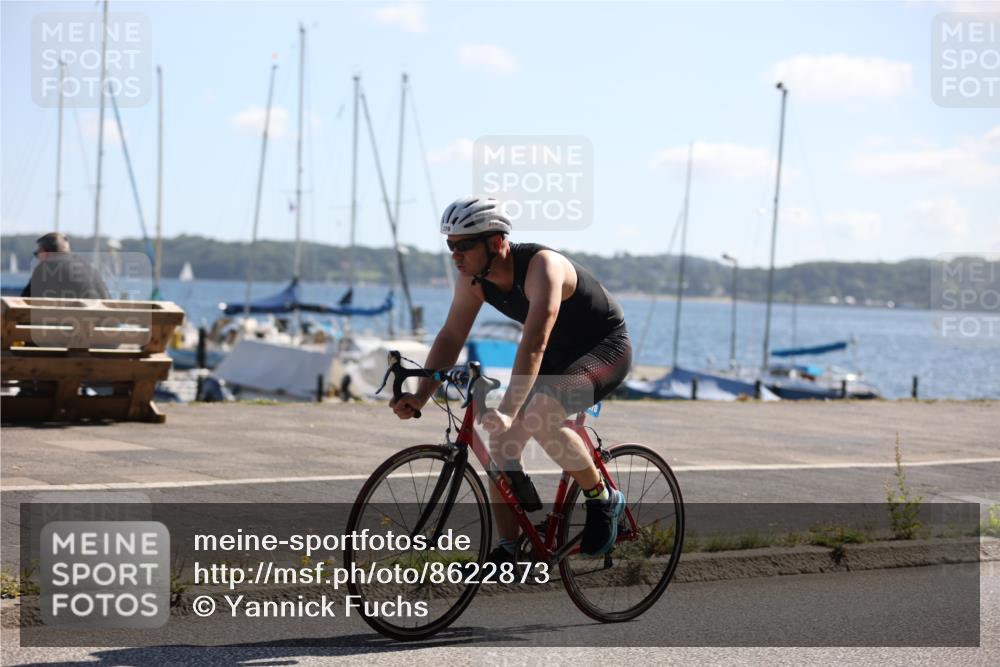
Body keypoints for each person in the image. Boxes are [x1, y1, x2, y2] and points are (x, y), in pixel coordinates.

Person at [390, 195, 633, 562]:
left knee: (540, 416)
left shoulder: (543, 267)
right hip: (557, 355)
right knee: (501, 445)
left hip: (604, 349)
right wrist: (422, 395)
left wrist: (507, 409)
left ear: (497, 242)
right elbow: (451, 337)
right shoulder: (473, 280)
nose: (456, 255)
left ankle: (603, 497)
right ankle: (509, 549)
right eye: (450, 245)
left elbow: (533, 344)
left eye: (465, 246)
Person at [21, 232, 110, 300]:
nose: (37, 258)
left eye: (37, 253)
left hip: (74, 322)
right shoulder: (90, 267)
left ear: (45, 252)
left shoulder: (46, 268)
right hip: (103, 323)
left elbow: (24, 300)